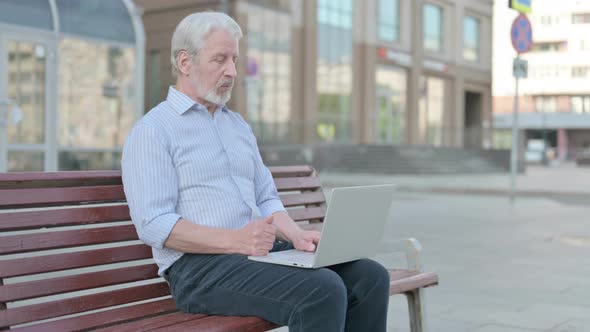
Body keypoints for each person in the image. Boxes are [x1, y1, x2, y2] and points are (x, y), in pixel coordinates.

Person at [121, 12, 390, 332]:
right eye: (220, 59)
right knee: (322, 290)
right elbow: (153, 224)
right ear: (185, 62)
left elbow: (266, 196)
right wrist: (235, 240)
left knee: (370, 278)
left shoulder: (236, 125)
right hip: (197, 269)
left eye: (234, 59)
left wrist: (296, 235)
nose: (232, 71)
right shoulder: (154, 130)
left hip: (256, 255)